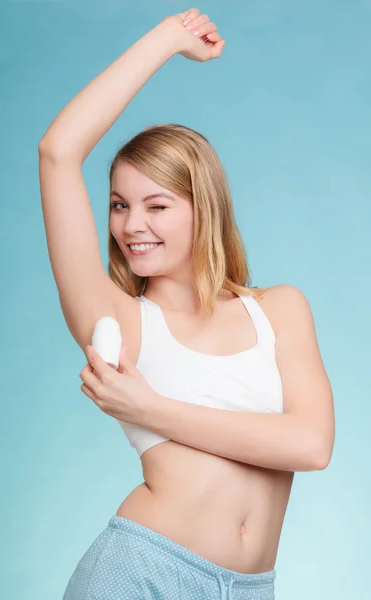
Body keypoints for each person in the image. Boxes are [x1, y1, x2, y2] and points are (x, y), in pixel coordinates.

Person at [38, 8, 335, 600]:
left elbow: (310, 446)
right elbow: (57, 152)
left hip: (252, 587)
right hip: (140, 570)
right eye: (119, 204)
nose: (132, 225)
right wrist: (169, 39)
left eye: (157, 205)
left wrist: (151, 408)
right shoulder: (117, 320)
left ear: (205, 208)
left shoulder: (278, 310)